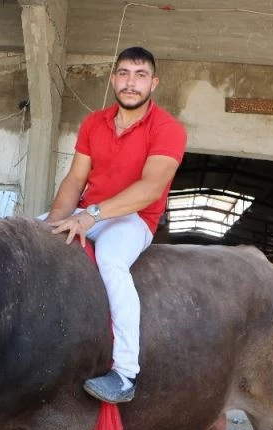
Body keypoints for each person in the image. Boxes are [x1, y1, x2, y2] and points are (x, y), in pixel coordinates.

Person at [46, 46, 187, 404]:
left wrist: (90, 215)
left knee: (110, 262)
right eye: (124, 73)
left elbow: (150, 188)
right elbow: (75, 180)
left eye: (140, 76)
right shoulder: (94, 122)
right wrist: (54, 223)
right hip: (87, 210)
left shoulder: (168, 129)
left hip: (133, 218)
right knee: (27, 237)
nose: (130, 83)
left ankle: (125, 373)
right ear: (113, 79)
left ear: (154, 83)